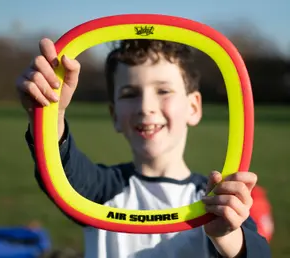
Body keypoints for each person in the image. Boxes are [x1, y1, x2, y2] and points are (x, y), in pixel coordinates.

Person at [16, 38, 271, 258]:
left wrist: (228, 236)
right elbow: (59, 171)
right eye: (129, 93)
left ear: (193, 107)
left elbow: (257, 252)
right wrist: (51, 113)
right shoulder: (102, 191)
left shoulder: (215, 200)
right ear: (114, 115)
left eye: (163, 90)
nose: (145, 106)